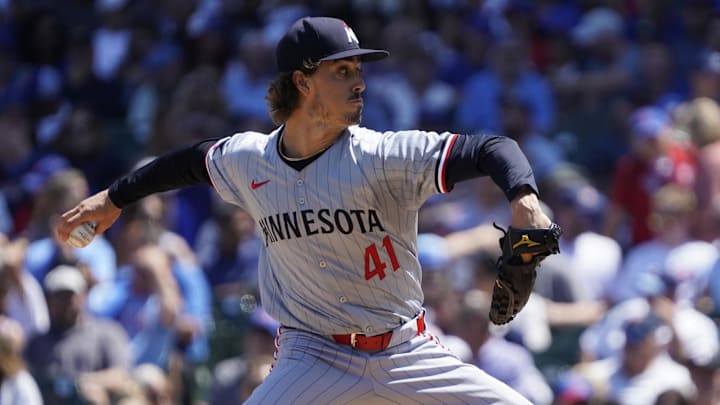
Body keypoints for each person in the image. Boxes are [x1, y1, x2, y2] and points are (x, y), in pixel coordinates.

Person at [56, 16, 554, 404]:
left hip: (405, 350)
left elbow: (492, 147)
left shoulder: (381, 155)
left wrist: (525, 200)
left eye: (359, 70)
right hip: (314, 356)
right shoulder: (249, 158)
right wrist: (113, 199)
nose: (359, 82)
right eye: (343, 70)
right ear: (303, 81)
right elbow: (187, 163)